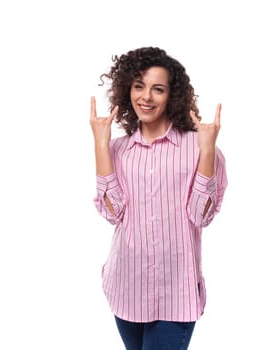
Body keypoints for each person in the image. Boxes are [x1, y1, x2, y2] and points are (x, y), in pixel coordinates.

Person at [90, 47, 228, 350]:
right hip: (127, 286)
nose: (146, 97)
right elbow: (113, 213)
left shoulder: (199, 146)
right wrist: (101, 145)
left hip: (176, 293)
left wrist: (207, 152)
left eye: (158, 89)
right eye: (139, 86)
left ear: (172, 95)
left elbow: (201, 216)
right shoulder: (117, 150)